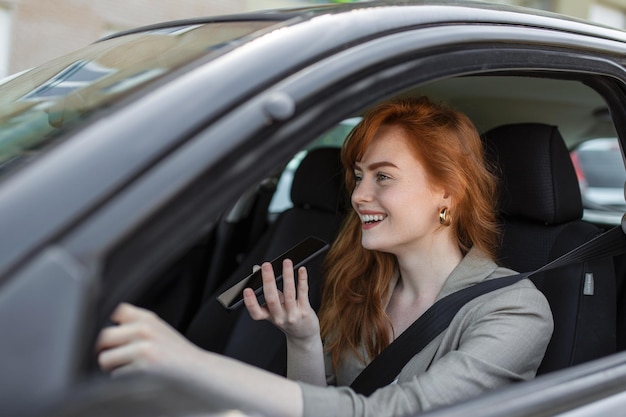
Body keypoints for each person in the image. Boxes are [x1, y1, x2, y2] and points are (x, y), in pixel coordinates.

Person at [96, 97, 553, 417]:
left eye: (383, 178)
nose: (359, 196)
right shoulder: (363, 283)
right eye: (358, 177)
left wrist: (190, 361)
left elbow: (387, 414)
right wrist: (303, 339)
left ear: (447, 193)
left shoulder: (514, 309)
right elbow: (321, 407)